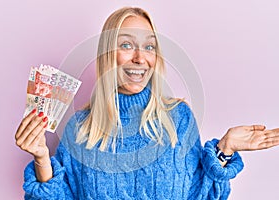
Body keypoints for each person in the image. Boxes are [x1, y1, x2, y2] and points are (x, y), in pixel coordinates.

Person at [15, 7, 279, 200]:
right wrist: (41, 158)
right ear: (108, 54)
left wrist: (226, 147)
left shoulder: (179, 118)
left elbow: (201, 195)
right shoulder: (79, 130)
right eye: (127, 45)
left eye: (149, 47)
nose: (141, 58)